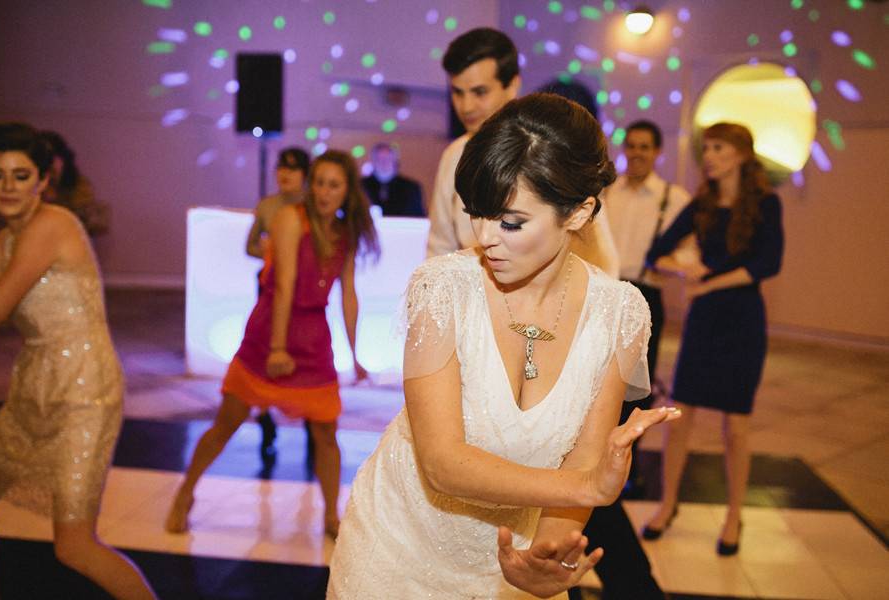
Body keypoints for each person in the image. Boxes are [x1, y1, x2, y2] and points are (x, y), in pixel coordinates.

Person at [328, 94, 681, 599]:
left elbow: (582, 461)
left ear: (579, 214)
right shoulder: (442, 290)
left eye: (511, 222)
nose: (485, 237)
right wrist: (588, 487)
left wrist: (546, 556)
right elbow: (442, 463)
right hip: (395, 553)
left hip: (509, 561)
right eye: (478, 213)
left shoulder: (619, 314)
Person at [166, 150, 378, 540]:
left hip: (314, 339)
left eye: (334, 185)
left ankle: (331, 516)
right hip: (270, 333)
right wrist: (278, 348)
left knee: (327, 434)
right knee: (227, 423)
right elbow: (283, 287)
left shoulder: (345, 234)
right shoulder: (289, 219)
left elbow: (349, 293)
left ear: (348, 191)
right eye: (319, 183)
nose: (323, 193)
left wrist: (356, 353)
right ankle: (185, 491)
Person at [0, 123, 157, 599]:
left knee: (75, 547)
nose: (7, 187)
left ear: (43, 181)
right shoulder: (2, 242)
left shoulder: (53, 225)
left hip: (84, 395)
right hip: (33, 387)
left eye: (21, 176)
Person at [641, 122, 784, 556]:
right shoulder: (702, 203)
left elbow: (768, 263)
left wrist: (709, 284)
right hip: (704, 323)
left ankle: (733, 514)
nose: (709, 156)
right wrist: (686, 271)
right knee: (680, 416)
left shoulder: (766, 203)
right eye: (707, 149)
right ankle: (668, 504)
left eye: (718, 148)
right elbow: (657, 252)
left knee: (736, 427)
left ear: (741, 153)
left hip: (742, 320)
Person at [425, 28, 619, 277]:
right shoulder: (454, 154)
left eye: (480, 92)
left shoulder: (552, 149)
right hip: (474, 303)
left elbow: (600, 258)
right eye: (457, 92)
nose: (466, 106)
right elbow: (440, 246)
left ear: (512, 84)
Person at [603, 120, 692, 493]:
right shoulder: (607, 193)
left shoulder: (673, 198)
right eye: (632, 146)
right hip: (606, 293)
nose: (637, 153)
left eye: (645, 147)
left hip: (646, 295)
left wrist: (662, 266)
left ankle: (630, 463)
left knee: (638, 385)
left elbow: (686, 256)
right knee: (600, 379)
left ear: (658, 152)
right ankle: (599, 454)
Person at [245, 146, 311, 463]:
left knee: (304, 357)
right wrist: (274, 254)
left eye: (293, 169)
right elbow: (249, 245)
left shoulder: (315, 207)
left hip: (304, 292)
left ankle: (313, 424)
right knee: (265, 355)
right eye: (281, 168)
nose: (285, 174)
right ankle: (266, 421)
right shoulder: (268, 206)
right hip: (269, 288)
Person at [39, 130, 110, 237]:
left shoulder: (79, 186)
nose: (48, 163)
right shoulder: (31, 187)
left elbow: (94, 224)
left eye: (52, 157)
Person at [361, 142, 425, 216]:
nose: (384, 163)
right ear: (373, 161)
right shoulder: (361, 186)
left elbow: (418, 216)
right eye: (379, 159)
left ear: (395, 161)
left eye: (388, 158)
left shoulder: (411, 188)